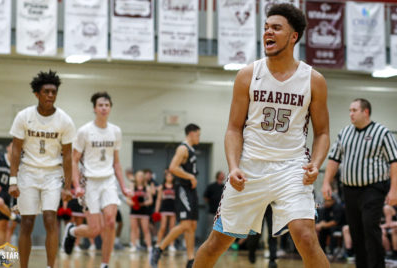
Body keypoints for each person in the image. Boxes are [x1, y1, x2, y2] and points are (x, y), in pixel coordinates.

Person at [193, 3, 330, 268]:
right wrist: (233, 167)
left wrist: (316, 163)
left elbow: (322, 132)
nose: (268, 32)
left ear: (294, 36)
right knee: (215, 244)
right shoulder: (247, 75)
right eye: (266, 27)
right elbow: (234, 128)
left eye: (276, 28)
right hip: (250, 168)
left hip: (292, 168)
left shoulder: (313, 80)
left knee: (306, 236)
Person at [8, 70, 75, 268]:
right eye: (46, 91)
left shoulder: (65, 120)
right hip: (28, 172)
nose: (51, 95)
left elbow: (68, 155)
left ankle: (50, 266)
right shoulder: (24, 116)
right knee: (26, 223)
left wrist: (68, 186)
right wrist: (13, 181)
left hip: (52, 175)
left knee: (49, 218)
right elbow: (16, 150)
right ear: (37, 94)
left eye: (54, 92)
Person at [322, 98, 397, 268]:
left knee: (370, 227)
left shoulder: (382, 133)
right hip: (349, 190)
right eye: (349, 110)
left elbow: (394, 162)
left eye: (354, 110)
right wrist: (326, 182)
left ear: (366, 112)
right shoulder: (345, 133)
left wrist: (394, 190)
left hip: (373, 189)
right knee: (355, 231)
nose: (351, 114)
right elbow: (334, 159)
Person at [62, 92, 131, 268]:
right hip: (89, 181)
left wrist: (123, 187)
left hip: (108, 181)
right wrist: (76, 185)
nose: (104, 108)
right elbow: (74, 159)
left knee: (110, 221)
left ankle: (105, 264)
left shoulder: (116, 131)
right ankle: (72, 231)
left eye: (107, 105)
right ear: (94, 108)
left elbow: (116, 162)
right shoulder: (84, 131)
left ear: (110, 108)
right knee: (94, 230)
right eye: (100, 105)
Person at [150, 123, 201, 268]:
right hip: (183, 189)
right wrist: (190, 176)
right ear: (191, 133)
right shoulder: (182, 148)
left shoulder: (190, 150)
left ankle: (190, 260)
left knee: (192, 225)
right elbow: (172, 167)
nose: (199, 137)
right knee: (185, 224)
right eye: (198, 134)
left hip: (191, 191)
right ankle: (159, 248)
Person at [0, 142, 20, 246]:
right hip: (0, 192)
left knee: (7, 227)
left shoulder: (19, 165)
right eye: (13, 146)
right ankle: (12, 216)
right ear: (7, 148)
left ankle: (3, 256)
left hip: (12, 195)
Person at [127, 170, 153, 252]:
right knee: (133, 229)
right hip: (134, 211)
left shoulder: (147, 187)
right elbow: (128, 199)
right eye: (138, 176)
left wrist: (143, 204)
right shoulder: (132, 186)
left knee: (145, 229)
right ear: (136, 177)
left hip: (144, 211)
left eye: (142, 176)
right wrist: (131, 203)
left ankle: (149, 247)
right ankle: (133, 246)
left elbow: (150, 200)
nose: (140, 177)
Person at [155, 169, 177, 251]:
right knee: (163, 227)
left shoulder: (176, 187)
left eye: (171, 176)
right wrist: (157, 211)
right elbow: (158, 199)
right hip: (164, 208)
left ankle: (171, 245)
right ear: (165, 177)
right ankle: (158, 243)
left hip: (173, 209)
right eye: (168, 175)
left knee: (172, 228)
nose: (169, 177)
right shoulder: (162, 187)